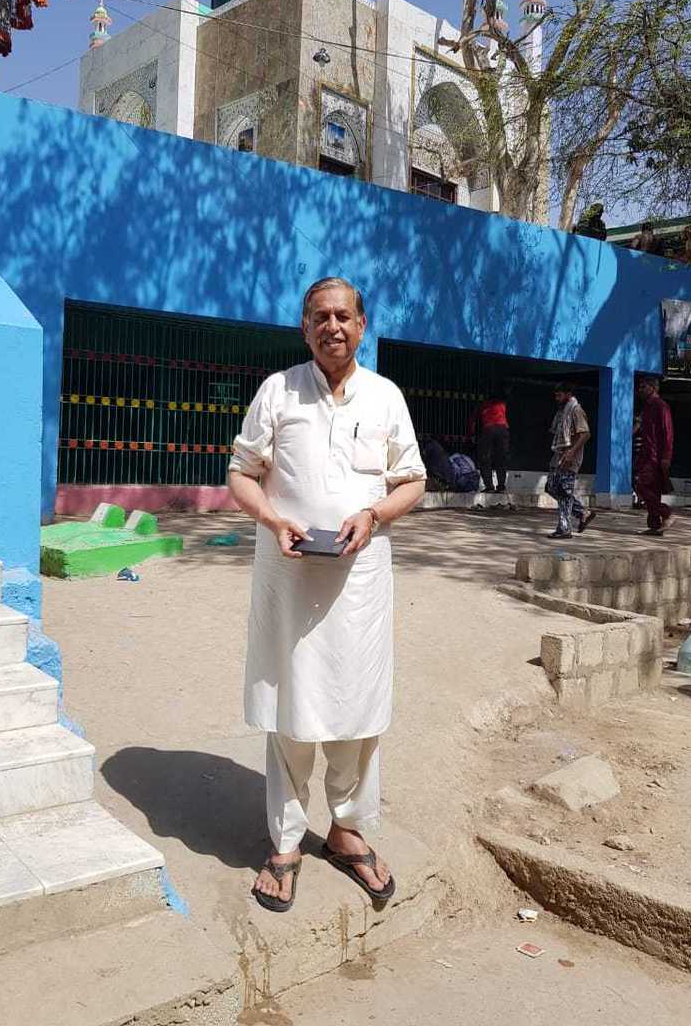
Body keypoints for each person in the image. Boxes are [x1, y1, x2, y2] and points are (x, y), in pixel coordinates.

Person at [228, 276, 426, 913]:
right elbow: (241, 472)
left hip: (361, 586)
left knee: (357, 708)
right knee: (292, 707)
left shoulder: (387, 396)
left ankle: (345, 830)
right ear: (304, 327)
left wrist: (373, 516)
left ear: (362, 325)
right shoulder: (277, 391)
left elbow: (412, 481)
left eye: (344, 316)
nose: (332, 326)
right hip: (289, 578)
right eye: (320, 317)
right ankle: (285, 844)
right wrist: (271, 519)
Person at [545, 382, 595, 539]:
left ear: (568, 394)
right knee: (551, 488)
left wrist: (572, 452)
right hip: (559, 456)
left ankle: (564, 528)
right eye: (556, 395)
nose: (557, 398)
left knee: (564, 491)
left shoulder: (575, 410)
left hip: (570, 457)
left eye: (559, 395)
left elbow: (585, 434)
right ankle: (582, 512)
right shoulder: (562, 412)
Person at [635, 376, 675, 536]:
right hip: (646, 455)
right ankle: (655, 526)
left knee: (641, 486)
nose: (640, 390)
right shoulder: (647, 408)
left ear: (653, 388)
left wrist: (666, 456)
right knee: (652, 490)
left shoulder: (661, 406)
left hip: (655, 457)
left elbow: (668, 432)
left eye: (643, 386)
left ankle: (666, 513)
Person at [476, 389, 509, 492]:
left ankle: (489, 486)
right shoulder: (503, 405)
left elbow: (474, 421)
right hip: (503, 430)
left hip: (488, 429)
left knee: (485, 458)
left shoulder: (484, 405)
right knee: (501, 458)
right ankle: (501, 486)